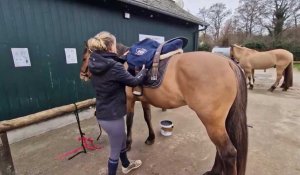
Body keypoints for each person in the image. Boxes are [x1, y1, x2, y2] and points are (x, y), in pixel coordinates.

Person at [87, 31, 147, 175]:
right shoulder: (115, 67)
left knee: (120, 139)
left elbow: (110, 66)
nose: (115, 47)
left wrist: (121, 59)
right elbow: (133, 81)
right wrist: (144, 71)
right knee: (114, 152)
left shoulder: (94, 62)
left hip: (103, 114)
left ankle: (126, 165)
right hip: (113, 116)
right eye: (114, 44)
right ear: (110, 47)